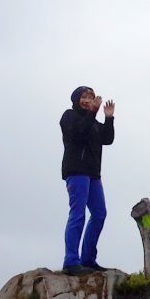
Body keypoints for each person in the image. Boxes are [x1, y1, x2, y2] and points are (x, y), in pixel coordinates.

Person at [60, 86, 115, 276]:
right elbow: (77, 134)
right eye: (83, 97)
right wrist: (92, 113)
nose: (87, 100)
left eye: (90, 97)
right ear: (76, 99)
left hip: (93, 175)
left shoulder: (94, 123)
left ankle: (88, 259)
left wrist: (108, 118)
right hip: (76, 172)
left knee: (99, 213)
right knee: (78, 214)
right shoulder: (69, 116)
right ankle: (71, 261)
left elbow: (107, 139)